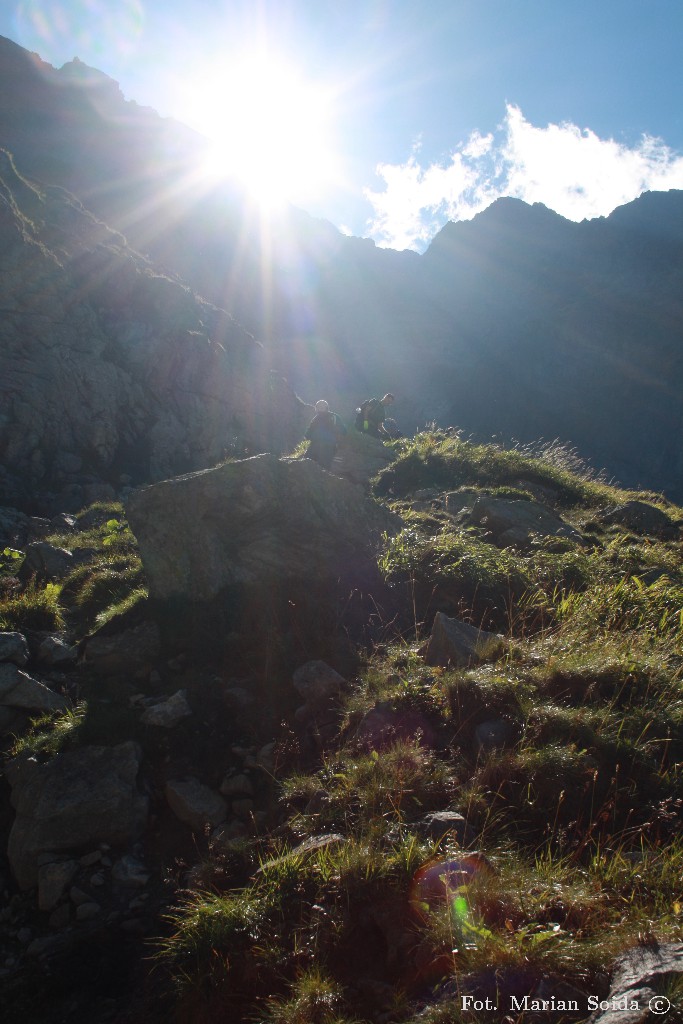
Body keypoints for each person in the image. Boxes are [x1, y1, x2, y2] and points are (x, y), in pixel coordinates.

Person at [304, 400, 346, 470]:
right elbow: (344, 431)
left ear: (316, 408)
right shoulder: (335, 417)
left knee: (307, 465)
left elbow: (307, 435)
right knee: (324, 469)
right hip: (330, 447)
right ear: (327, 407)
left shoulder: (315, 419)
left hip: (315, 447)